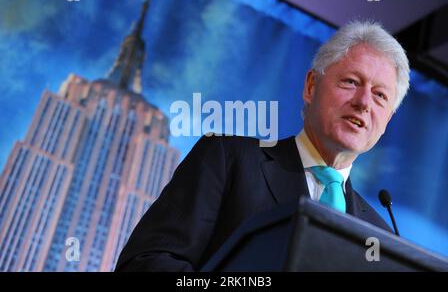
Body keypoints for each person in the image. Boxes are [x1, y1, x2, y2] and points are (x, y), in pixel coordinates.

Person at [115, 20, 410, 272]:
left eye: (380, 96)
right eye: (351, 81)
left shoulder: (381, 237)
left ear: (387, 121)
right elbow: (146, 262)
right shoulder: (228, 158)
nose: (363, 103)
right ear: (311, 86)